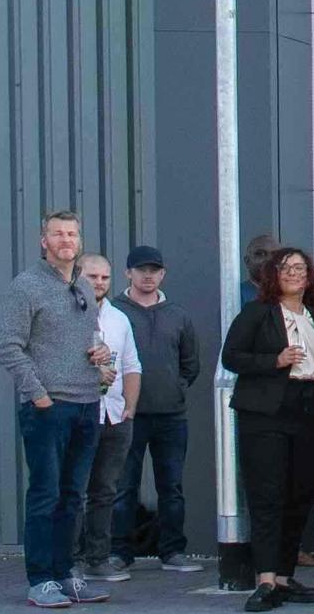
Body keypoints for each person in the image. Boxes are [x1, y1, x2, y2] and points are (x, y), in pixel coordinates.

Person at [0, 210, 115, 610]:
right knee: (45, 495)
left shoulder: (84, 286)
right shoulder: (26, 287)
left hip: (87, 403)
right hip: (49, 408)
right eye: (58, 233)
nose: (66, 239)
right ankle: (41, 580)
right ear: (43, 241)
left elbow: (89, 340)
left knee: (73, 497)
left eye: (72, 233)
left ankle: (67, 575)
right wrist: (39, 395)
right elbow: (10, 347)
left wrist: (101, 357)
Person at [228, 246, 314, 612]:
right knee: (267, 495)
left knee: (300, 497)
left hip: (310, 410)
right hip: (267, 412)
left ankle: (286, 577)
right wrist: (275, 360)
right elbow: (232, 356)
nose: (293, 273)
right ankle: (266, 579)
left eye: (300, 268)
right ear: (274, 274)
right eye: (286, 267)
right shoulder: (258, 313)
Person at [112, 246, 208, 575]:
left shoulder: (177, 315)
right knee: (123, 487)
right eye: (141, 270)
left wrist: (175, 389)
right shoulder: (114, 312)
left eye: (154, 270)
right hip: (128, 416)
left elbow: (190, 364)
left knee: (172, 487)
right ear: (128, 273)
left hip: (170, 416)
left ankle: (173, 552)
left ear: (163, 274)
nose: (148, 275)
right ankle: (119, 553)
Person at [73, 250, 144, 600]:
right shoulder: (66, 313)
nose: (99, 283)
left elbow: (132, 364)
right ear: (77, 276)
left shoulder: (119, 319)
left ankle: (97, 557)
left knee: (104, 491)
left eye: (104, 277)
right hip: (78, 414)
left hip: (115, 415)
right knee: (72, 489)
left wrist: (129, 407)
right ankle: (67, 559)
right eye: (92, 276)